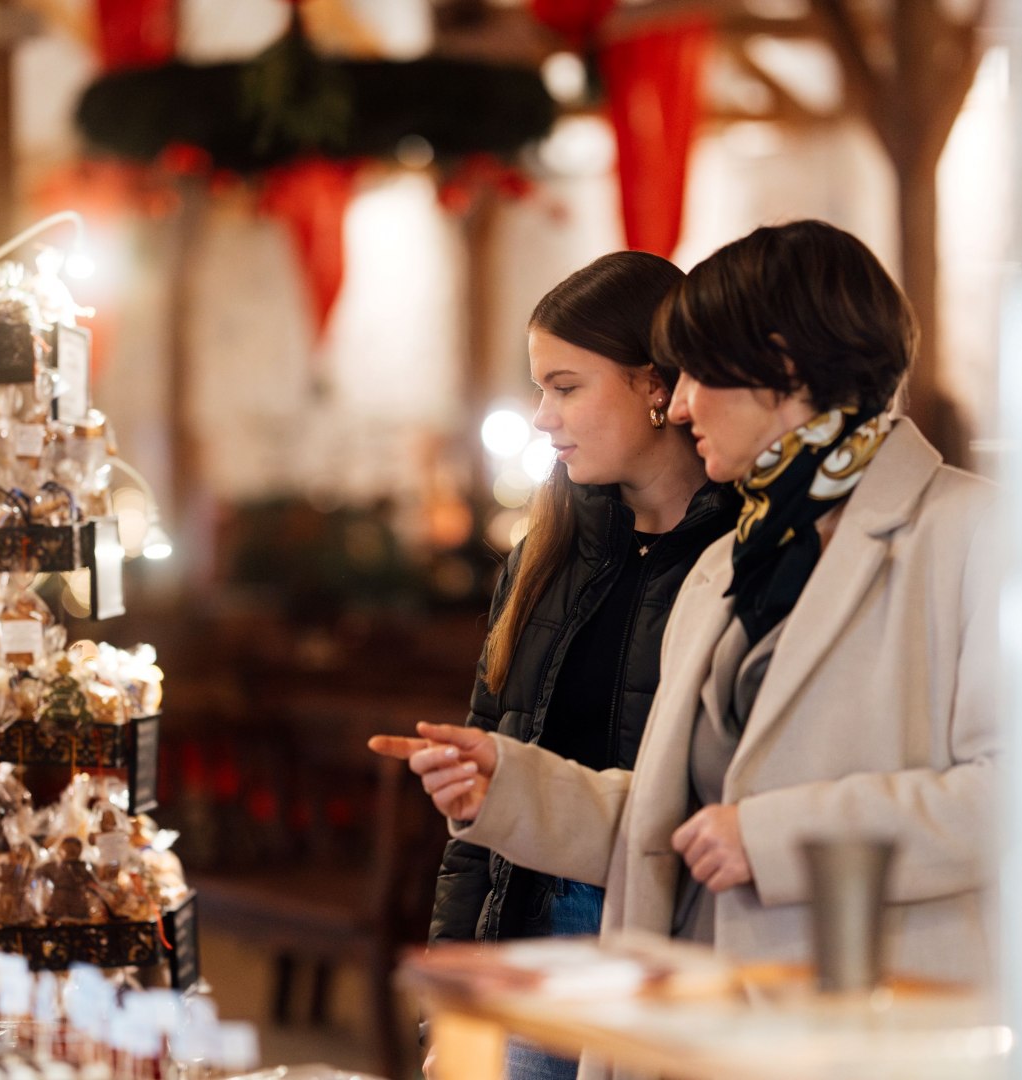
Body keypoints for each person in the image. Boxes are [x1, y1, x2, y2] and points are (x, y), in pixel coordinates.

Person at [373, 221, 999, 1079]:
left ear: (781, 369)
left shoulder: (974, 533)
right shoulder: (732, 561)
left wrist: (774, 838)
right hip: (701, 1031)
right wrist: (515, 789)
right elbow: (676, 829)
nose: (679, 403)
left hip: (869, 1030)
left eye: (699, 374)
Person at [429, 251, 739, 1080]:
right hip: (530, 954)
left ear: (655, 386)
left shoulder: (741, 562)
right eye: (539, 389)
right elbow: (478, 824)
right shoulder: (547, 556)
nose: (541, 416)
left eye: (565, 387)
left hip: (662, 969)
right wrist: (454, 1003)